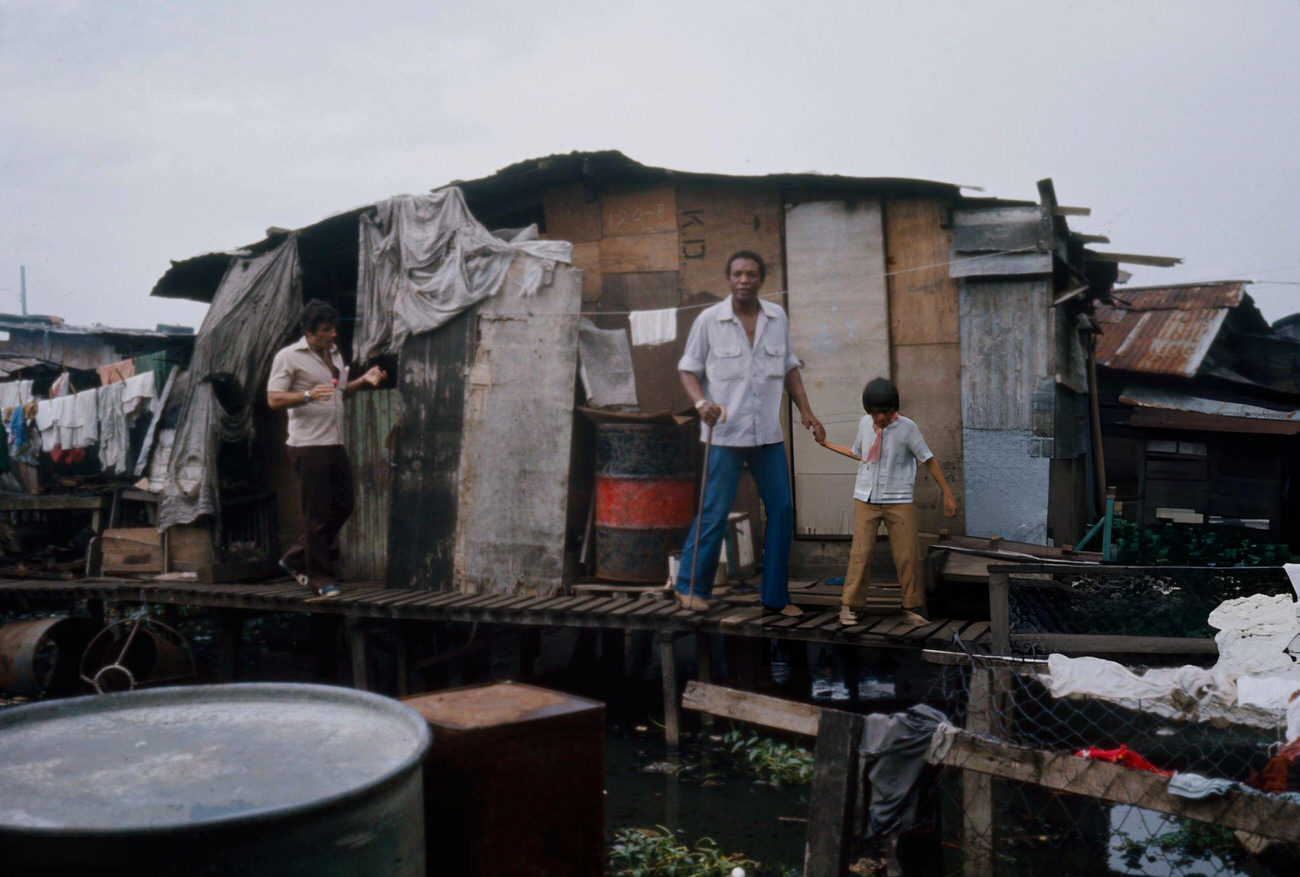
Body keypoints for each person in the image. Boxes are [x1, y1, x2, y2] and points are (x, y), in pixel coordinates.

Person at [675, 250, 825, 616]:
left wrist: (807, 411)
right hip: (724, 434)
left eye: (751, 274)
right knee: (714, 510)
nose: (744, 280)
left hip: (767, 434)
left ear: (761, 279)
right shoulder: (709, 321)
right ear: (728, 279)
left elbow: (790, 368)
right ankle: (689, 586)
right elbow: (688, 370)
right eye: (738, 274)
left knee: (782, 509)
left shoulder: (777, 318)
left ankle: (775, 596)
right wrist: (700, 405)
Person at [267, 300, 386, 596]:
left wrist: (363, 380)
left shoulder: (333, 353)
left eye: (333, 328)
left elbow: (337, 393)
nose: (333, 334)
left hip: (334, 442)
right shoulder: (289, 357)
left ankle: (294, 559)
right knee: (317, 515)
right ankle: (319, 578)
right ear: (309, 332)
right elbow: (273, 399)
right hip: (308, 446)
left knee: (344, 506)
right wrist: (306, 395)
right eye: (325, 330)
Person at [835, 377, 957, 626]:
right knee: (860, 552)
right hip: (866, 496)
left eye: (884, 412)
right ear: (867, 411)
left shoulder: (908, 428)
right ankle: (851, 604)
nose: (879, 418)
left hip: (898, 498)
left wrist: (947, 493)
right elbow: (858, 453)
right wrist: (825, 443)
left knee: (907, 554)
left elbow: (928, 459)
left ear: (894, 410)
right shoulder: (864, 424)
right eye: (874, 412)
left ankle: (912, 606)